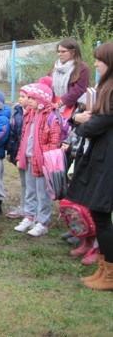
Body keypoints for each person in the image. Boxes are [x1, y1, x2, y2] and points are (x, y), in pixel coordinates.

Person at [67, 42, 113, 290]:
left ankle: (110, 275)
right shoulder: (107, 88)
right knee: (100, 214)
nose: (95, 64)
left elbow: (94, 126)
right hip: (102, 156)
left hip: (108, 160)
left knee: (103, 216)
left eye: (100, 60)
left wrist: (78, 120)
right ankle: (104, 269)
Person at [14, 82, 61, 237]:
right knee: (30, 190)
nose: (29, 101)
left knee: (42, 193)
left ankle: (42, 222)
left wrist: (43, 157)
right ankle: (29, 216)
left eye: (32, 98)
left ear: (41, 101)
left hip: (42, 162)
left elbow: (53, 141)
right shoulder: (30, 115)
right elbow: (24, 138)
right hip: (28, 159)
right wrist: (21, 154)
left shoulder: (50, 117)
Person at [5, 86, 30, 219]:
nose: (20, 99)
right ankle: (24, 206)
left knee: (32, 183)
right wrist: (10, 151)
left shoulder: (35, 113)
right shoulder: (17, 111)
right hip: (19, 152)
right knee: (24, 181)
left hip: (31, 154)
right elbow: (13, 133)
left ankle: (32, 209)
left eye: (23, 96)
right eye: (19, 96)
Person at [49, 38, 89, 119]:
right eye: (58, 51)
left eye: (63, 51)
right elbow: (47, 83)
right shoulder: (56, 67)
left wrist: (60, 103)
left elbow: (78, 90)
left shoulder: (82, 68)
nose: (60, 54)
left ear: (73, 52)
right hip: (54, 106)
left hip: (73, 109)